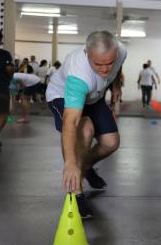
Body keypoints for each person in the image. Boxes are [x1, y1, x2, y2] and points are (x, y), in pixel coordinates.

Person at [46, 31, 127, 218]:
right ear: (87, 53)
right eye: (99, 64)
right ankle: (76, 193)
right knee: (85, 128)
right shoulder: (78, 75)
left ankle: (86, 166)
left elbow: (118, 66)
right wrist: (70, 163)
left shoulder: (120, 52)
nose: (105, 69)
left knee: (110, 143)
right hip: (62, 96)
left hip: (94, 97)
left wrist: (116, 86)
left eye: (110, 63)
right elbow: (70, 122)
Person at [0, 29, 14, 148]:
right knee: (3, 113)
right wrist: (9, 77)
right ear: (0, 41)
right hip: (0, 88)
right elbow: (10, 70)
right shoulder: (4, 54)